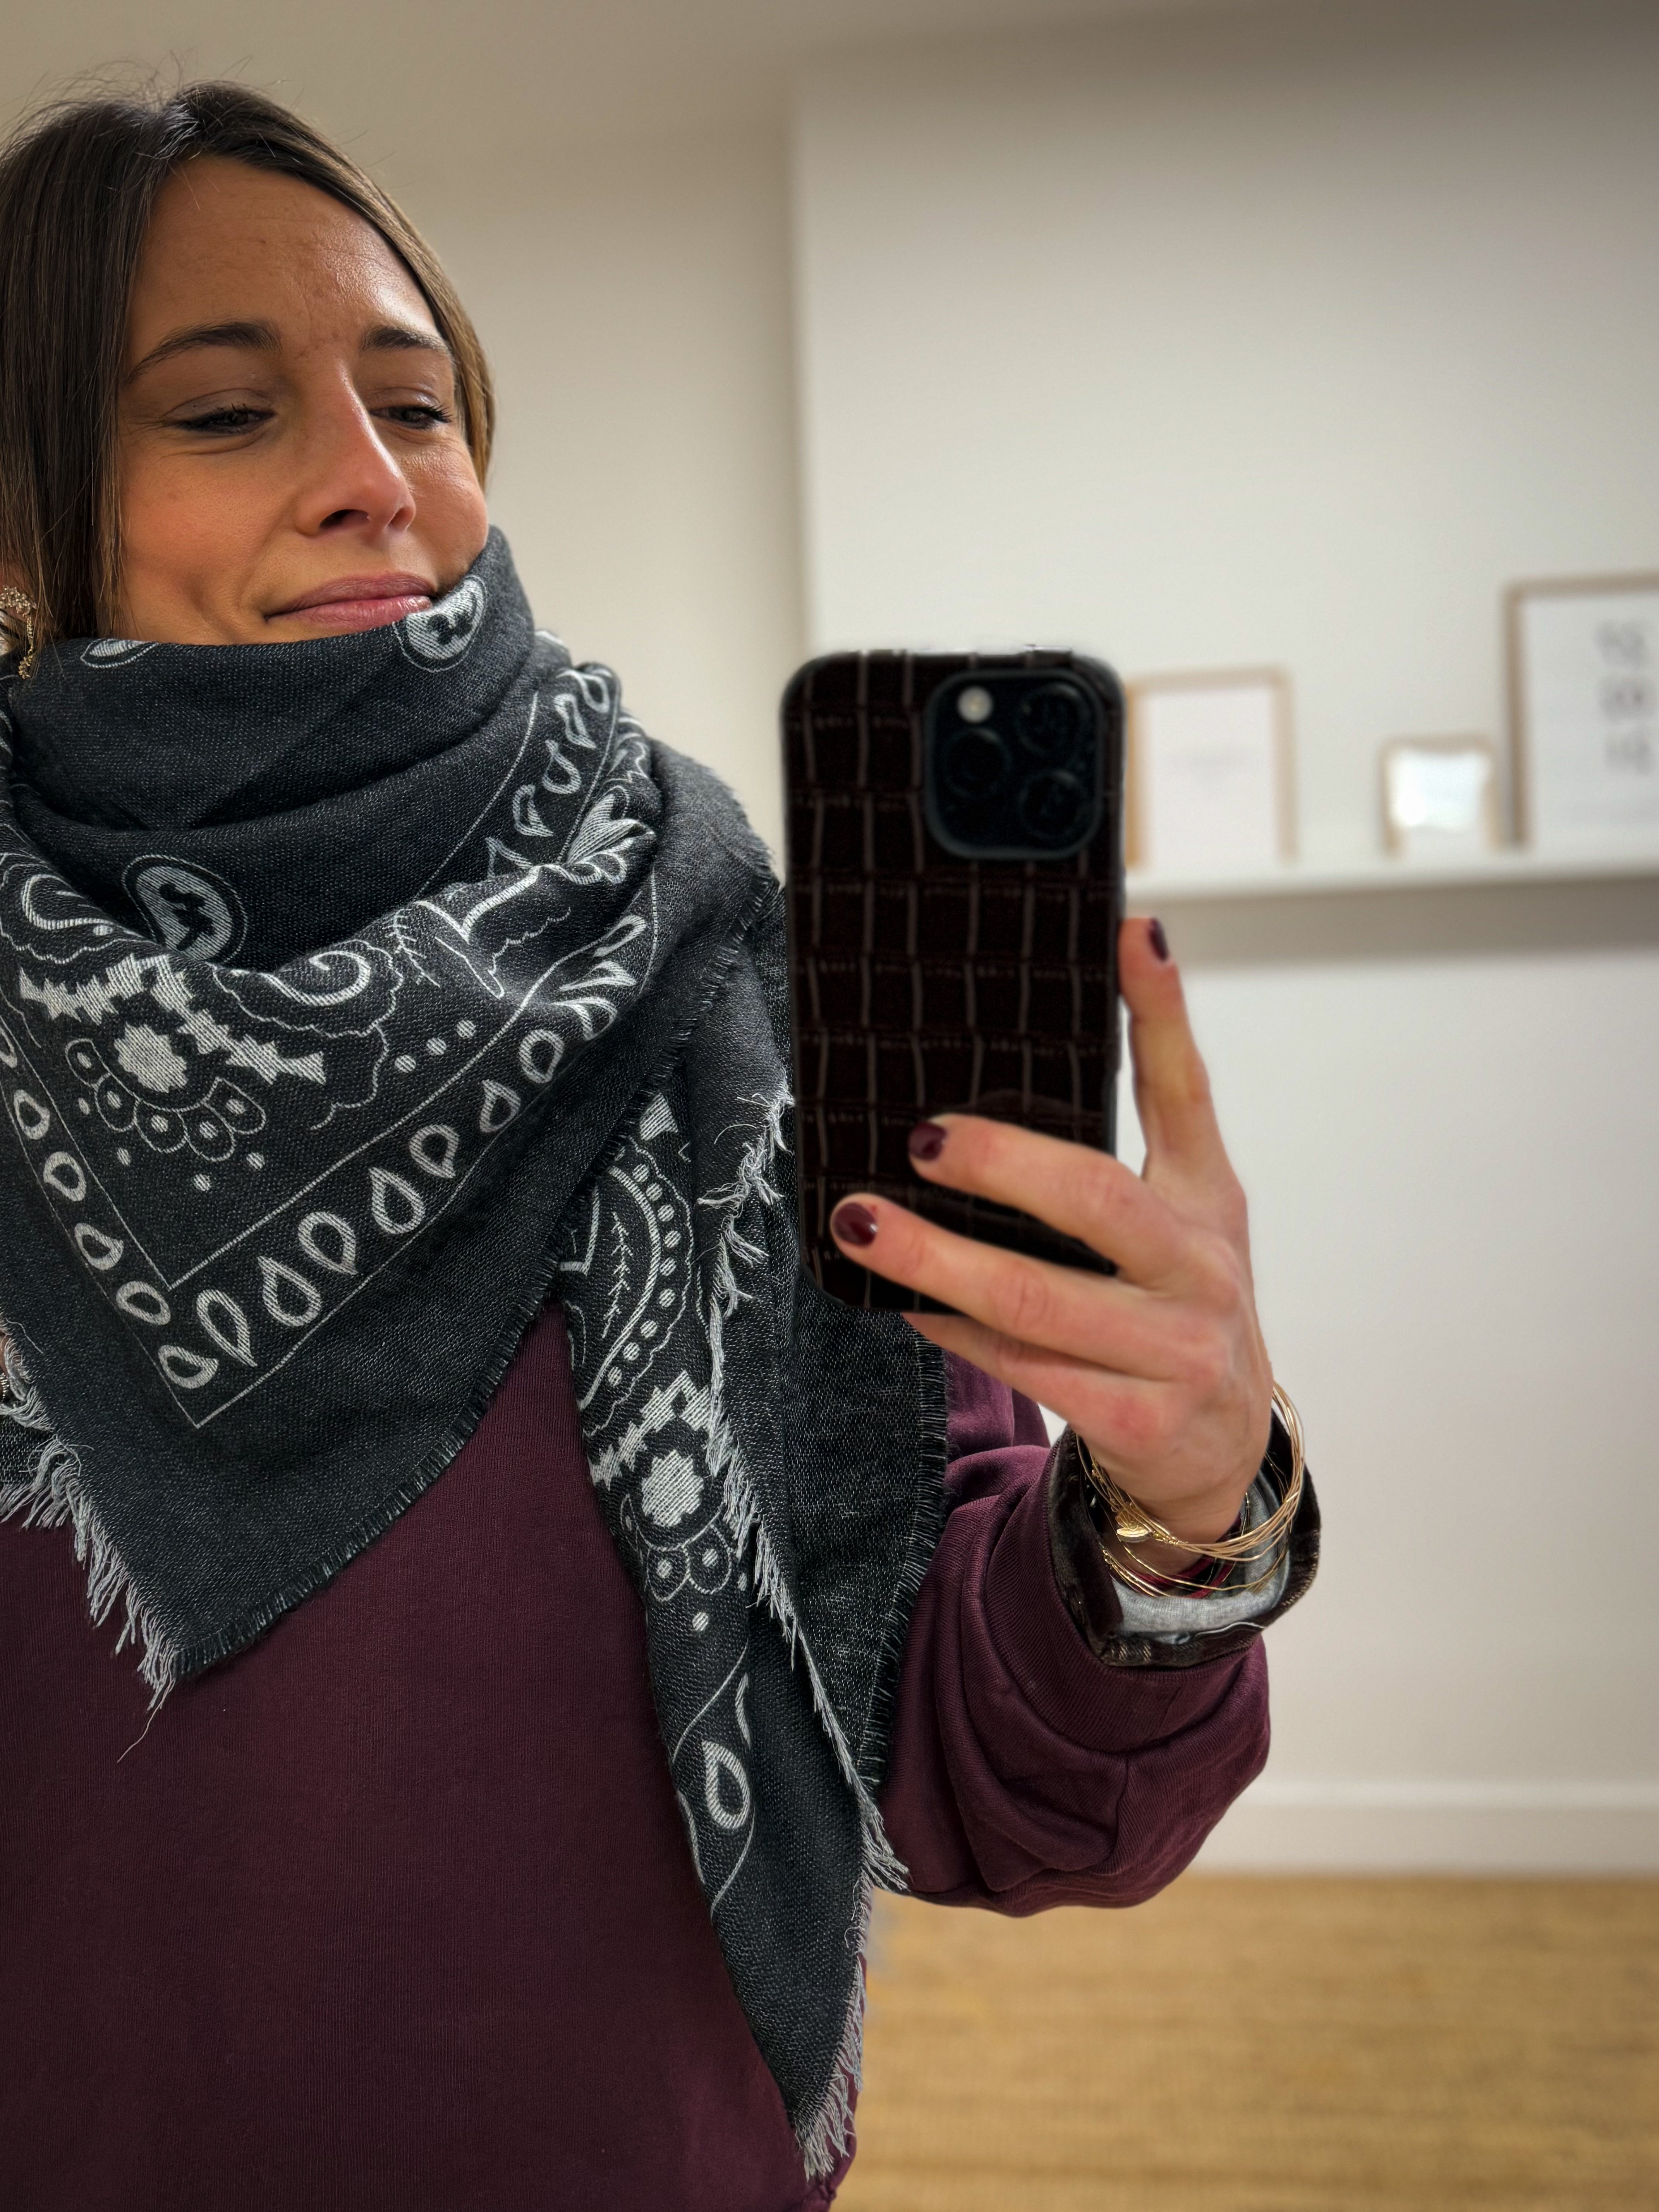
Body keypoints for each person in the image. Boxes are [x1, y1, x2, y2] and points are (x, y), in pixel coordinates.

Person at [0, 84, 1318, 2212]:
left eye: (419, 405)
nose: (373, 480)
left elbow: (978, 1772)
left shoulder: (722, 991)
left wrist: (1179, 1512)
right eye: (227, 414)